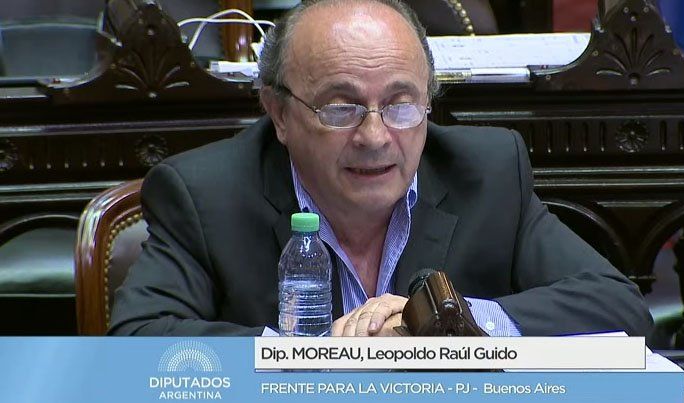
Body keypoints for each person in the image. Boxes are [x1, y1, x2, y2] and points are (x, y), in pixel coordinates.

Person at [109, 0, 653, 337]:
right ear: (278, 113)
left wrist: (447, 318)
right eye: (340, 108)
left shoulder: (487, 174)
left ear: (428, 103)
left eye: (400, 104)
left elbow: (617, 306)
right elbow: (139, 341)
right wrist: (311, 358)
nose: (375, 137)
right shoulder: (204, 194)